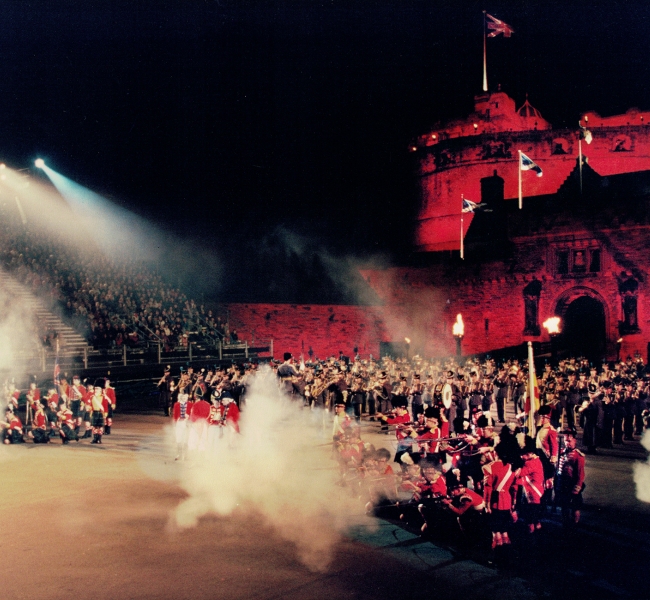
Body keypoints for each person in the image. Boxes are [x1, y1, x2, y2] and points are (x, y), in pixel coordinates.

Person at [556, 430, 585, 526]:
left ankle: (575, 523)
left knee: (575, 506)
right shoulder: (561, 452)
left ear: (574, 441)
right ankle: (565, 523)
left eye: (569, 440)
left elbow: (580, 474)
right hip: (562, 482)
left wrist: (577, 488)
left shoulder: (578, 455)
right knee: (564, 505)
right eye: (565, 440)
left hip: (572, 483)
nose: (567, 443)